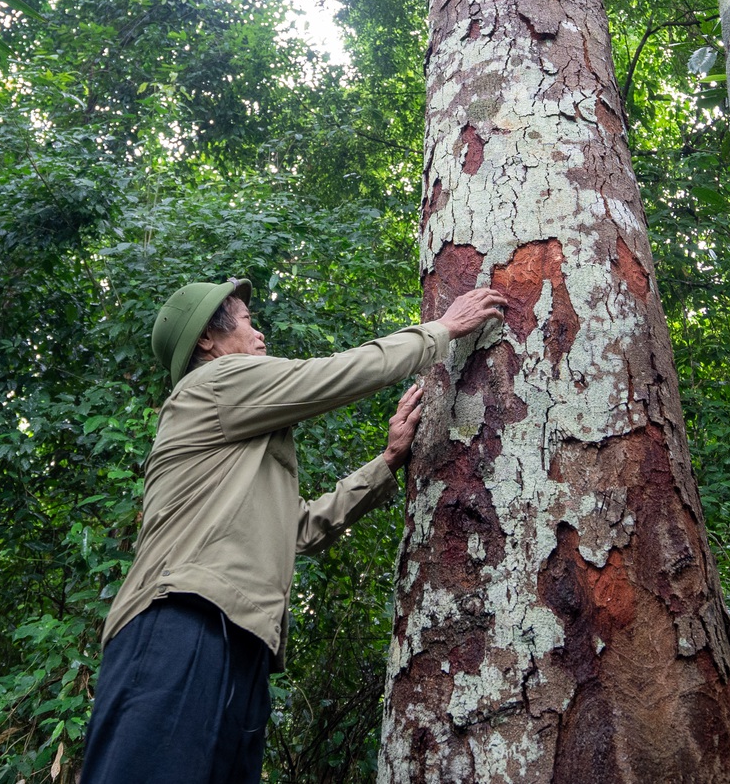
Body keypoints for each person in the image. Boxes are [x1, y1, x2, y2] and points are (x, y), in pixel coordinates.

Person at [79, 277, 509, 784]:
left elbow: (297, 529)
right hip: (179, 624)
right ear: (206, 341)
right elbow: (328, 376)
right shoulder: (214, 385)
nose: (260, 335)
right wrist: (440, 330)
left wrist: (388, 463)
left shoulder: (237, 436)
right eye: (247, 322)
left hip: (239, 641)